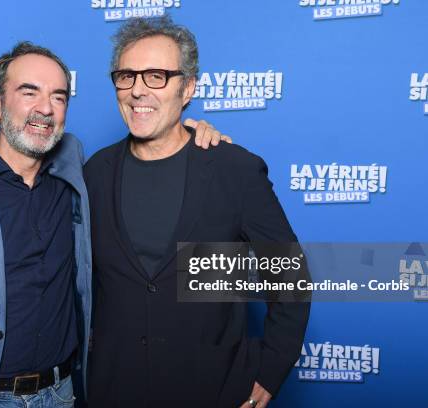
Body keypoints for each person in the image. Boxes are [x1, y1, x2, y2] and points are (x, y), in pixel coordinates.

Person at [0, 41, 227, 408]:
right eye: (29, 92)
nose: (45, 109)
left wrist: (189, 134)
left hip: (65, 393)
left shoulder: (78, 167)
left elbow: (155, 146)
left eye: (58, 97)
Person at [84, 16, 310, 408]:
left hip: (214, 390)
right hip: (112, 390)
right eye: (126, 76)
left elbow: (289, 278)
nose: (138, 91)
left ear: (187, 88)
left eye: (156, 76)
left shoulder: (234, 170)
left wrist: (269, 374)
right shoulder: (93, 174)